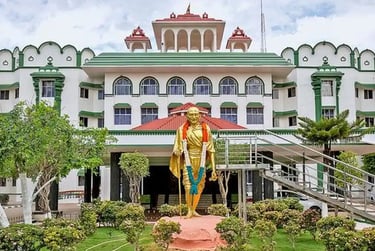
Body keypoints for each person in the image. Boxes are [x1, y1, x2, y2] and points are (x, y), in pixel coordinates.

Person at [170, 106, 217, 218]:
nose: (194, 117)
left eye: (196, 114)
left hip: (201, 160)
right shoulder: (182, 129)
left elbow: (211, 150)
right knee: (188, 186)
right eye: (191, 114)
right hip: (188, 159)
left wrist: (214, 169)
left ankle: (193, 209)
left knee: (199, 187)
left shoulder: (206, 129)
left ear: (200, 116)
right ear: (187, 116)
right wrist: (177, 151)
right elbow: (178, 146)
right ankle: (189, 210)